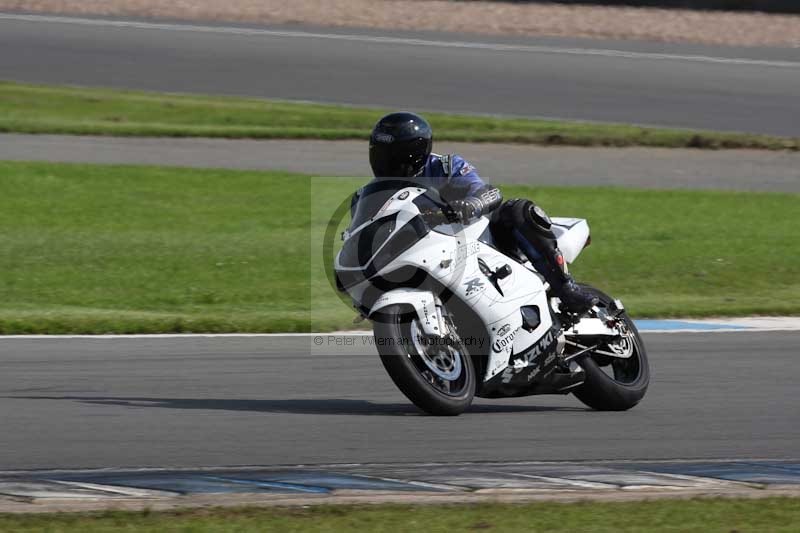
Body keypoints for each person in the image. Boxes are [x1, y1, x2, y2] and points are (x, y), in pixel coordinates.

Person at [364, 111, 598, 315]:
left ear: (412, 154)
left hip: (482, 240)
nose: (384, 162)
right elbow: (367, 230)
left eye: (391, 155)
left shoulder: (445, 167)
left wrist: (469, 205)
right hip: (432, 256)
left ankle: (566, 288)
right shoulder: (374, 194)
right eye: (380, 153)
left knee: (516, 210)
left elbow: (489, 192)